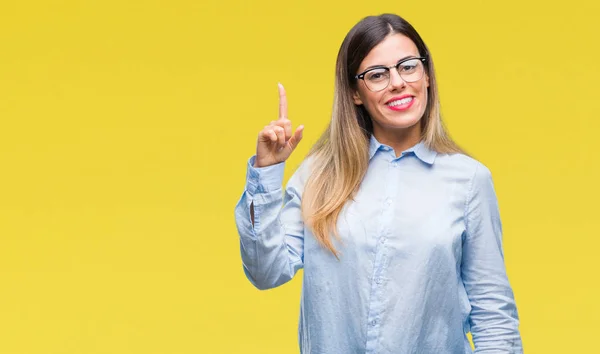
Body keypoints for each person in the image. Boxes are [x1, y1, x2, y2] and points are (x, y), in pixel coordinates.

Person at [234, 13, 523, 354]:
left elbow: (494, 317)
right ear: (356, 93)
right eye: (377, 75)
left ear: (426, 76)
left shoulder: (469, 180)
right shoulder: (319, 174)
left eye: (408, 66)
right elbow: (266, 272)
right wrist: (266, 173)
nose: (398, 82)